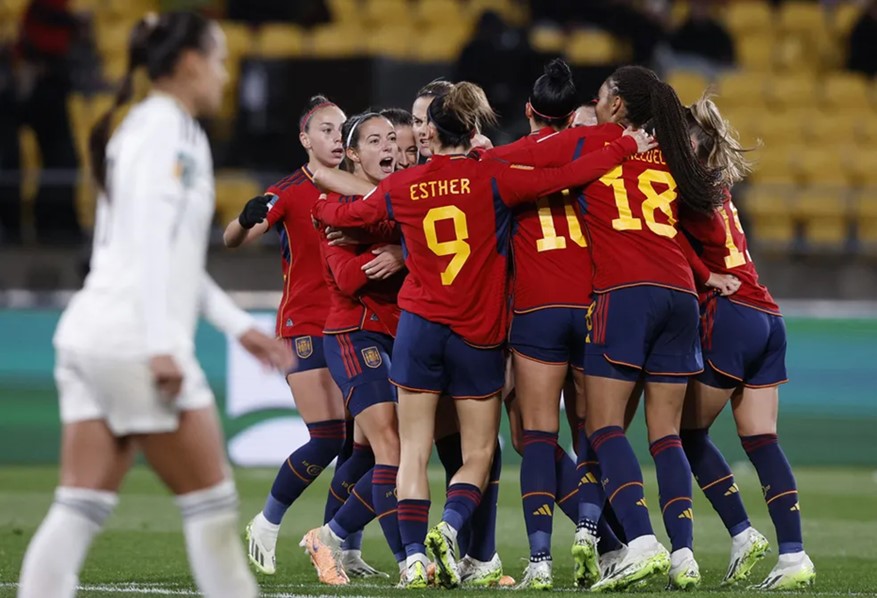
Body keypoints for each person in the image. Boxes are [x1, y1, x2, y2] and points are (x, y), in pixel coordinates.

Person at [310, 81, 655, 589]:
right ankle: (451, 533)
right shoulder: (492, 176)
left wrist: (321, 203)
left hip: (419, 329)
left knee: (411, 452)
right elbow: (567, 173)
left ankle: (411, 563)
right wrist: (625, 143)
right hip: (478, 333)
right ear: (470, 132)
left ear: (430, 135)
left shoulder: (404, 187)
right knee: (479, 454)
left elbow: (345, 213)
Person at [16, 12, 294, 598]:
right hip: (133, 343)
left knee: (80, 505)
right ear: (190, 64)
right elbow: (145, 241)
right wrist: (163, 347)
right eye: (218, 60)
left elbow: (173, 258)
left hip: (97, 337)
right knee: (214, 507)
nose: (224, 73)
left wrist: (237, 327)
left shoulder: (169, 131)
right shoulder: (162, 131)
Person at [532, 65, 727, 592]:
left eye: (598, 95)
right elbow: (703, 220)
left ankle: (640, 541)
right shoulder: (672, 156)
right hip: (680, 296)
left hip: (624, 294)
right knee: (665, 434)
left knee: (604, 426)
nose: (592, 103)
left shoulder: (592, 143)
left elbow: (524, 163)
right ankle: (685, 555)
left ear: (616, 105)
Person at [484, 59, 628, 590]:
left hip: (536, 310)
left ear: (528, 111)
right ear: (573, 115)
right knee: (593, 432)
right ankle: (596, 535)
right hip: (591, 308)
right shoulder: (595, 153)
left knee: (536, 437)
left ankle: (540, 561)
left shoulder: (506, 164)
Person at [224, 96, 382, 579]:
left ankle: (345, 549)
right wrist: (244, 217)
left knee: (363, 446)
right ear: (305, 139)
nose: (337, 138)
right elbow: (236, 237)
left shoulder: (361, 189)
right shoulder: (289, 191)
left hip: (354, 324)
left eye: (341, 130)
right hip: (306, 327)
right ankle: (267, 522)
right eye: (327, 130)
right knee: (330, 437)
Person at [679, 95, 815, 591]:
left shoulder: (686, 188)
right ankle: (794, 554)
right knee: (761, 442)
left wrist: (704, 275)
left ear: (689, 142)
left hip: (732, 314)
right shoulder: (719, 185)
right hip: (767, 314)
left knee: (683, 433)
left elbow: (667, 240)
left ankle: (741, 531)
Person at [300, 111, 408, 585]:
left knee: (367, 452)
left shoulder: (395, 200)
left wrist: (402, 252)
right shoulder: (330, 205)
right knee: (393, 447)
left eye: (393, 139)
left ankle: (338, 540)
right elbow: (344, 279)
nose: (390, 149)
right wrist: (385, 253)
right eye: (377, 141)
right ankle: (406, 558)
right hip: (352, 335)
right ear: (353, 154)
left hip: (396, 333)